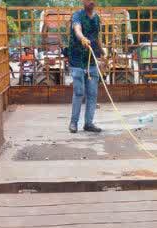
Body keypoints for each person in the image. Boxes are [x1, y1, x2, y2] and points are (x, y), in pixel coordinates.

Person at [68, 0, 103, 134]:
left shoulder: (96, 18)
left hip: (92, 61)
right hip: (77, 60)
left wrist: (102, 51)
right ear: (83, 1)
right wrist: (82, 38)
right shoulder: (77, 15)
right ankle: (73, 123)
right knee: (79, 92)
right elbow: (77, 29)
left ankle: (88, 123)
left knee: (93, 94)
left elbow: (96, 36)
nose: (92, 2)